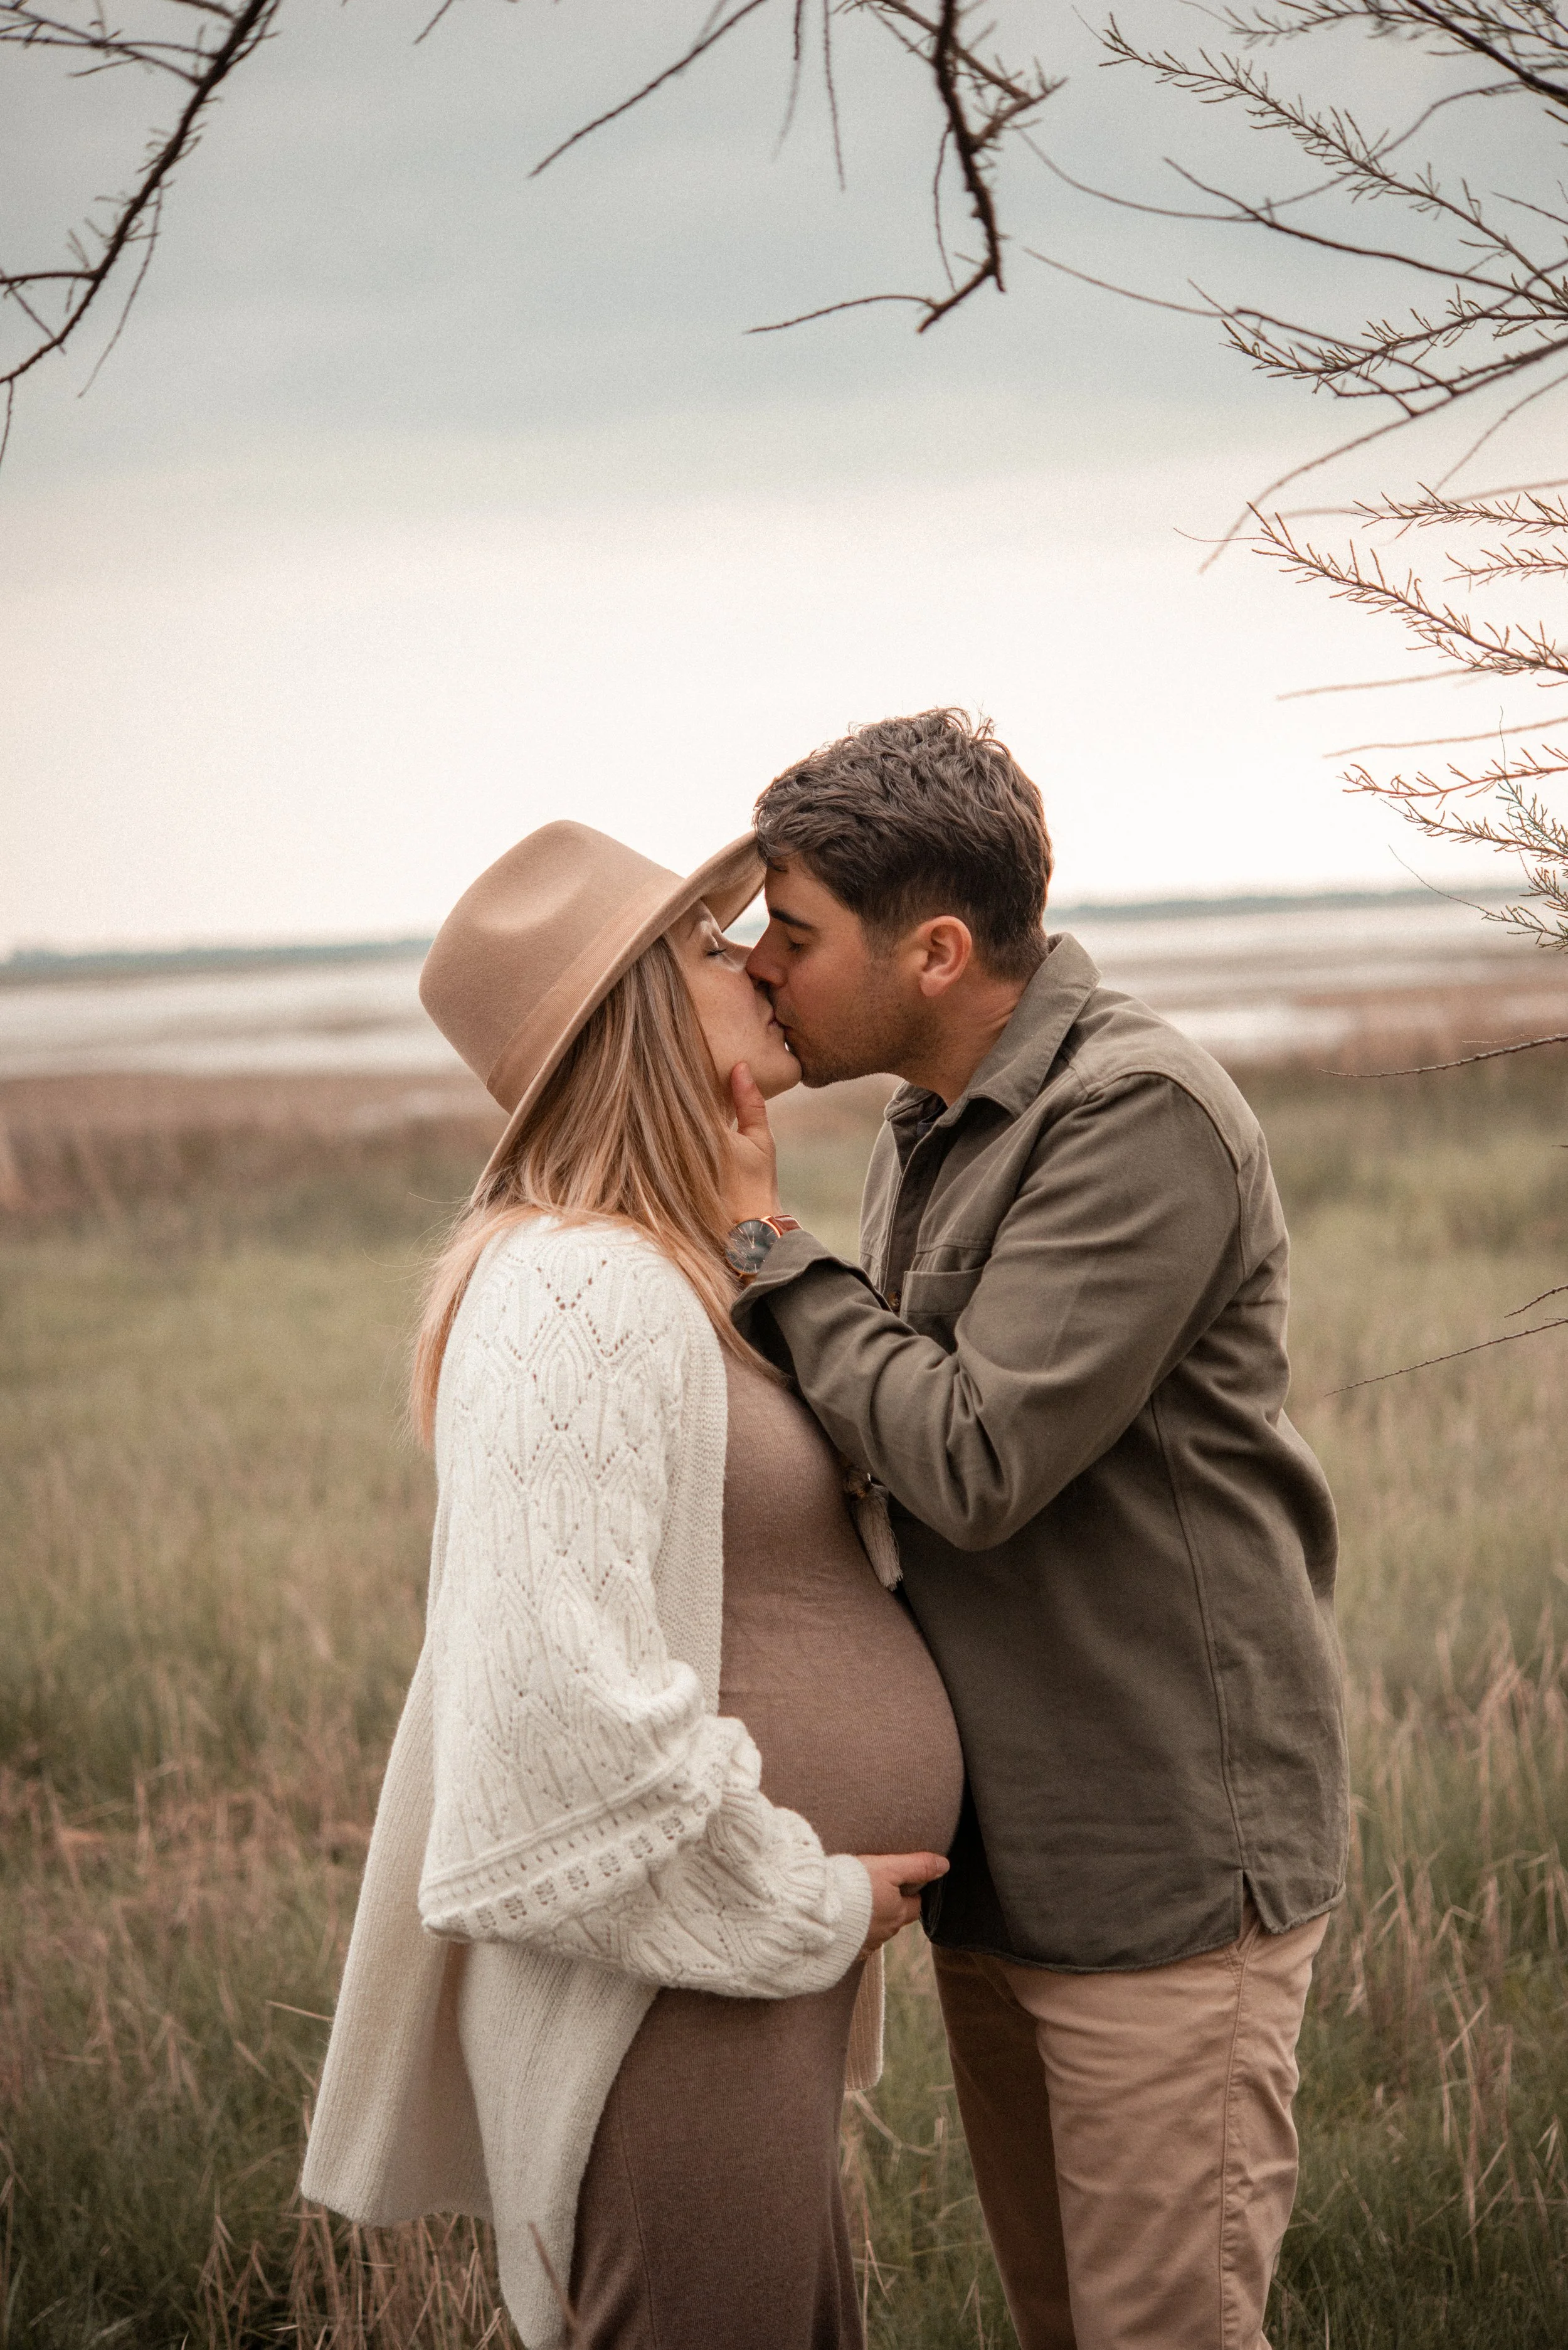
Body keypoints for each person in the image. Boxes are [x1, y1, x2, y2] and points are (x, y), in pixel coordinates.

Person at [720, 710, 1350, 2350]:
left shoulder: (1132, 1113)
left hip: (1154, 1867)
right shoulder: (933, 1121)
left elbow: (979, 1456)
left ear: (931, 950)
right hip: (1005, 1873)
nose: (762, 969)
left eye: (791, 935)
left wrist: (769, 1251)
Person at [300, 821, 960, 2350]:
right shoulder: (579, 1286)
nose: (748, 964)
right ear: (639, 1019)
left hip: (716, 1978)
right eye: (702, 950)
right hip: (667, 1990)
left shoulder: (663, 1263)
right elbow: (557, 1726)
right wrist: (801, 1900)